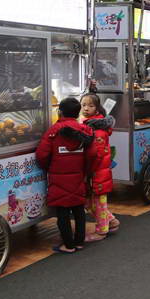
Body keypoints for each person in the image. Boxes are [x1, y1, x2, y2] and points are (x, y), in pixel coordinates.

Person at [35, 97, 96, 254]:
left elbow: (41, 155)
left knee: (62, 211)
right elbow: (93, 154)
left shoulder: (53, 131)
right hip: (78, 176)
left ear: (60, 112)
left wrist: (49, 168)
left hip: (58, 177)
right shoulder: (85, 131)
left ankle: (68, 245)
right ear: (78, 112)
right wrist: (86, 171)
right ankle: (79, 241)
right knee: (78, 208)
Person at [79, 94, 118, 242]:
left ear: (97, 109)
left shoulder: (97, 130)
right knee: (90, 202)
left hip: (97, 173)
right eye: (83, 105)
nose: (86, 108)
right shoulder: (89, 125)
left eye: (90, 106)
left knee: (99, 203)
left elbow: (96, 155)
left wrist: (88, 172)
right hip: (95, 172)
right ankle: (112, 221)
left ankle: (101, 231)